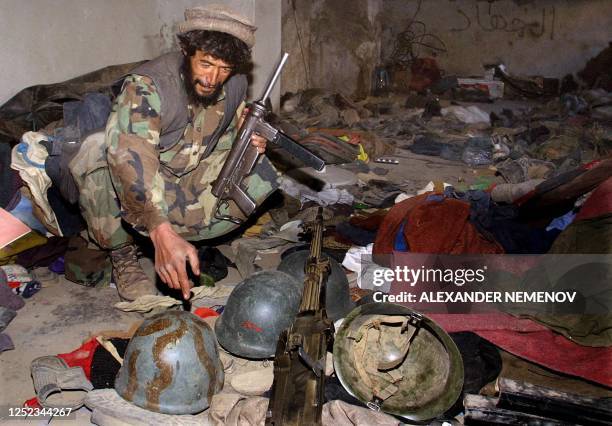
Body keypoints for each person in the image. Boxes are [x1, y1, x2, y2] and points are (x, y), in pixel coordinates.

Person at [70, 5, 279, 301]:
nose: (213, 78)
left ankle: (188, 237)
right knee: (97, 153)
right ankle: (123, 254)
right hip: (142, 180)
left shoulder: (234, 85)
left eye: (225, 68)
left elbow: (224, 142)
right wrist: (159, 230)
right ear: (186, 51)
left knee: (262, 169)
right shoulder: (147, 86)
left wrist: (248, 145)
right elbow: (133, 162)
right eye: (206, 64)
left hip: (185, 175)